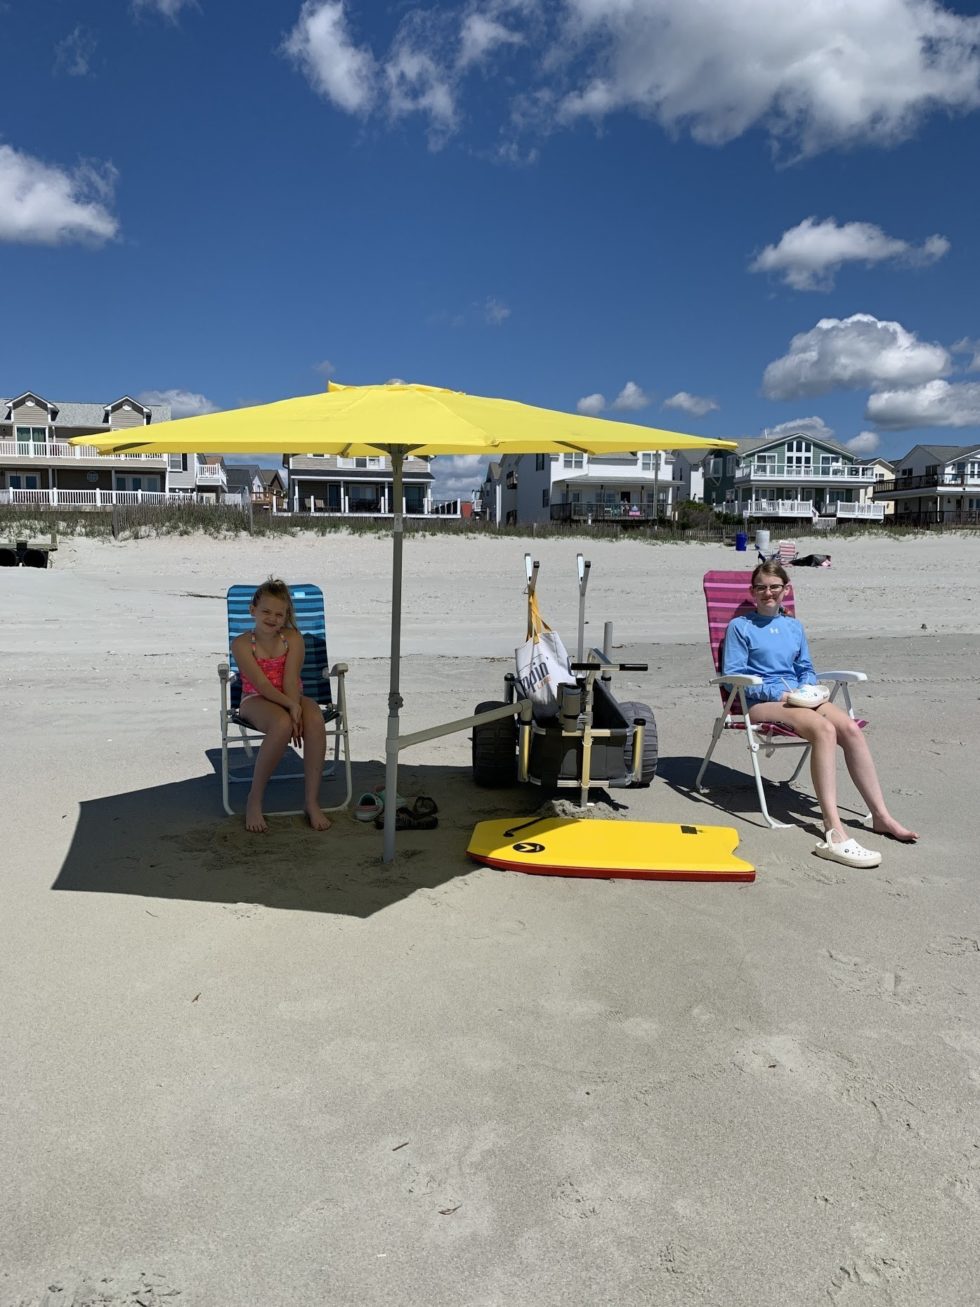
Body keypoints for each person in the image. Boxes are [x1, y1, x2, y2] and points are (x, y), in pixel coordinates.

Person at [722, 560, 917, 867]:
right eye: (761, 587)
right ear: (752, 591)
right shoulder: (740, 627)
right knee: (824, 730)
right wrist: (781, 694)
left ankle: (881, 816)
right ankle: (833, 829)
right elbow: (734, 676)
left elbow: (805, 668)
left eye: (775, 587)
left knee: (850, 729)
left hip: (800, 699)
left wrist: (809, 689)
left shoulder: (794, 627)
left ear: (786, 590)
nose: (768, 593)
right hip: (759, 702)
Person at [231, 578, 331, 834]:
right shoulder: (242, 644)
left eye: (279, 614)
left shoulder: (292, 638)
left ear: (287, 615)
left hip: (290, 695)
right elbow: (263, 686)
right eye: (266, 611)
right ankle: (255, 798)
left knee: (315, 719)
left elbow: (290, 681)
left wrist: (295, 706)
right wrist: (291, 709)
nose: (272, 618)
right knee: (282, 723)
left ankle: (311, 801)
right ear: (252, 610)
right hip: (254, 699)